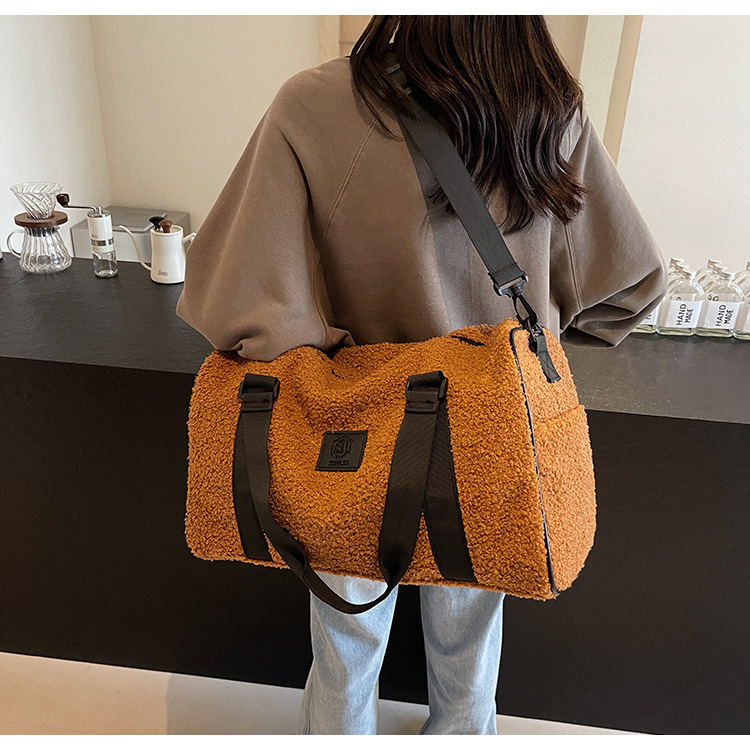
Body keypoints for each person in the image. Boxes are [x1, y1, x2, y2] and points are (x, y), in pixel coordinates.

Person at [176, 16, 667, 736]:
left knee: (345, 635)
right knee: (471, 627)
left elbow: (239, 298)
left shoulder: (315, 102)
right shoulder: (547, 105)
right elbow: (630, 285)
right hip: (490, 423)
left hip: (350, 428)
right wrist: (527, 341)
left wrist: (332, 344)